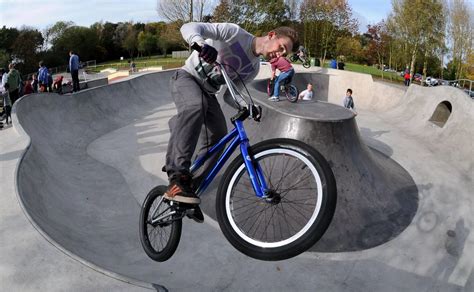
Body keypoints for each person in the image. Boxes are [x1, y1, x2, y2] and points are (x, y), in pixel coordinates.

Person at [163, 22, 298, 206]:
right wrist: (201, 44)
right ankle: (177, 172)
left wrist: (249, 106)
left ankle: (190, 188)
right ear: (271, 35)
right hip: (186, 78)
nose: (280, 54)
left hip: (209, 92)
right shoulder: (234, 33)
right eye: (281, 47)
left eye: (285, 53)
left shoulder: (254, 68)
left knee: (219, 135)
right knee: (196, 105)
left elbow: (230, 95)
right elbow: (189, 27)